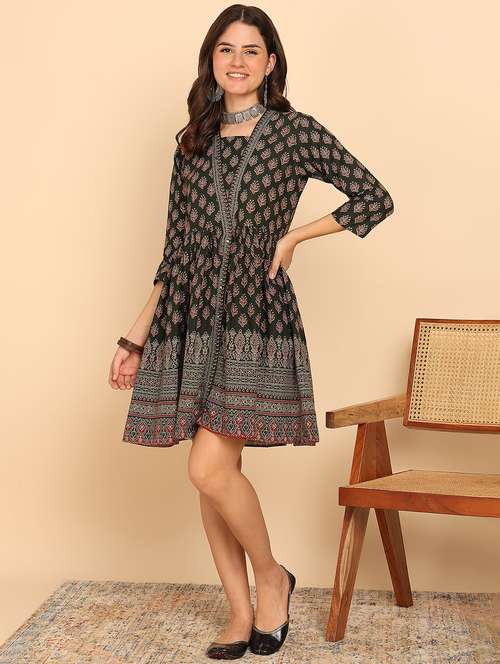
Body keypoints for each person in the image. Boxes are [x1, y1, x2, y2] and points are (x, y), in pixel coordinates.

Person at [108, 4, 394, 659]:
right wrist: (135, 338)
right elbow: (174, 251)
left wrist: (295, 236)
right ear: (211, 60)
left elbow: (373, 198)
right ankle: (241, 612)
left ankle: (271, 577)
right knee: (216, 473)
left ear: (271, 63)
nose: (237, 61)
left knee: (208, 468)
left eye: (251, 50)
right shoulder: (192, 142)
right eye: (225, 50)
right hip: (188, 320)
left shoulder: (294, 132)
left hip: (253, 319)